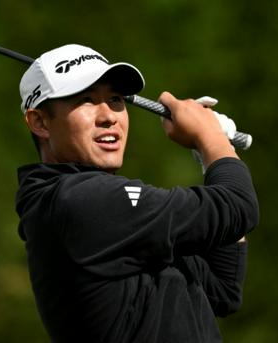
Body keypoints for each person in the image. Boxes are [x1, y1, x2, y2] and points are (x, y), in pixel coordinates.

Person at [15, 44, 259, 342]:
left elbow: (222, 288)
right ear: (40, 122)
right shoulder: (76, 201)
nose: (109, 116)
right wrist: (211, 138)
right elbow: (239, 205)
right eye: (86, 100)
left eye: (115, 99)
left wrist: (214, 153)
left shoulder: (99, 214)